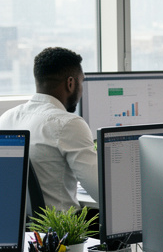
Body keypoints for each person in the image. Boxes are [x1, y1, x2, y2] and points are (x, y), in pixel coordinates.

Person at [0, 47, 100, 210]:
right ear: (70, 83)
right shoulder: (68, 123)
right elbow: (102, 191)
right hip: (62, 233)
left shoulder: (6, 118)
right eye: (81, 82)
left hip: (21, 232)